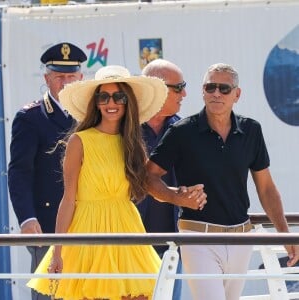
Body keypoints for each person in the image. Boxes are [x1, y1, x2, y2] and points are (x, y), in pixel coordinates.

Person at [26, 65, 205, 300]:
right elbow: (68, 199)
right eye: (104, 96)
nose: (111, 102)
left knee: (138, 295)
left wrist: (179, 195)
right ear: (96, 102)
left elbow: (148, 185)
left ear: (127, 101)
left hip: (127, 229)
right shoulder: (79, 141)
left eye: (118, 96)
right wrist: (58, 251)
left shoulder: (131, 143)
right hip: (87, 232)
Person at [145, 63, 299, 300]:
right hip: (198, 237)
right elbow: (149, 176)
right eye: (210, 87)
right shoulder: (181, 132)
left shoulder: (251, 130)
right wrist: (175, 197)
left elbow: (266, 188)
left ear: (237, 94)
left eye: (224, 88)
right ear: (203, 91)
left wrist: (283, 234)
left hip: (241, 237)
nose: (216, 93)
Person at [8, 42, 87, 300]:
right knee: (50, 293)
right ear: (47, 78)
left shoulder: (92, 116)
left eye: (71, 77)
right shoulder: (31, 117)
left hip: (88, 221)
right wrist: (27, 219)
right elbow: (20, 172)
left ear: (81, 78)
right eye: (59, 77)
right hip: (48, 223)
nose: (65, 83)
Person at [137, 58, 186, 300]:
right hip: (129, 240)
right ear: (155, 88)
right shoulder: (121, 129)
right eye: (178, 87)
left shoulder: (185, 130)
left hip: (172, 242)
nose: (184, 93)